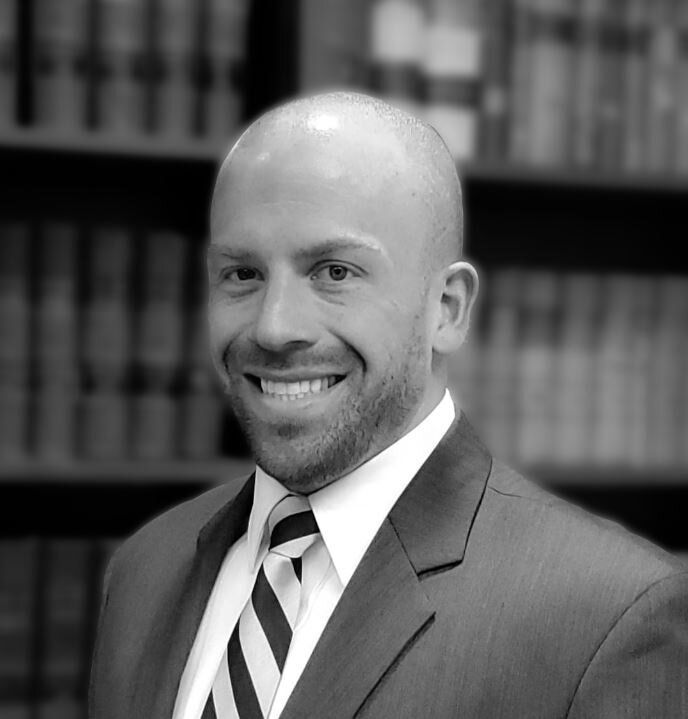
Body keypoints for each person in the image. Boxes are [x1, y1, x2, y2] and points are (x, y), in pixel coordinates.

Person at [89, 92, 688, 719]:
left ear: (447, 310)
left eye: (334, 272)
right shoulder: (146, 567)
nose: (274, 327)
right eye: (242, 274)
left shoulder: (611, 619)